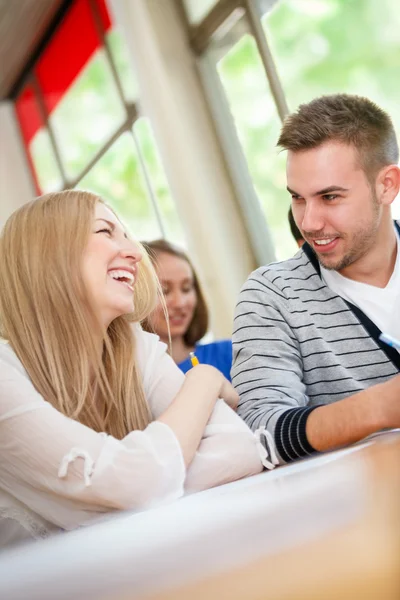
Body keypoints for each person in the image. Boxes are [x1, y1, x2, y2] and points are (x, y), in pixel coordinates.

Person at [0, 190, 263, 548]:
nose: (136, 253)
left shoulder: (133, 345)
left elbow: (240, 451)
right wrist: (204, 380)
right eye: (106, 232)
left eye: (125, 234)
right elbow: (137, 482)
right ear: (49, 255)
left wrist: (134, 487)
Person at [233, 94, 400, 467]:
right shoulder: (272, 296)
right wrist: (380, 407)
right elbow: (257, 436)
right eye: (298, 198)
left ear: (387, 185)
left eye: (330, 197)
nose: (308, 222)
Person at [142, 239, 233, 380]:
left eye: (186, 288)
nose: (180, 303)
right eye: (164, 291)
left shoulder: (232, 354)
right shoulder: (135, 383)